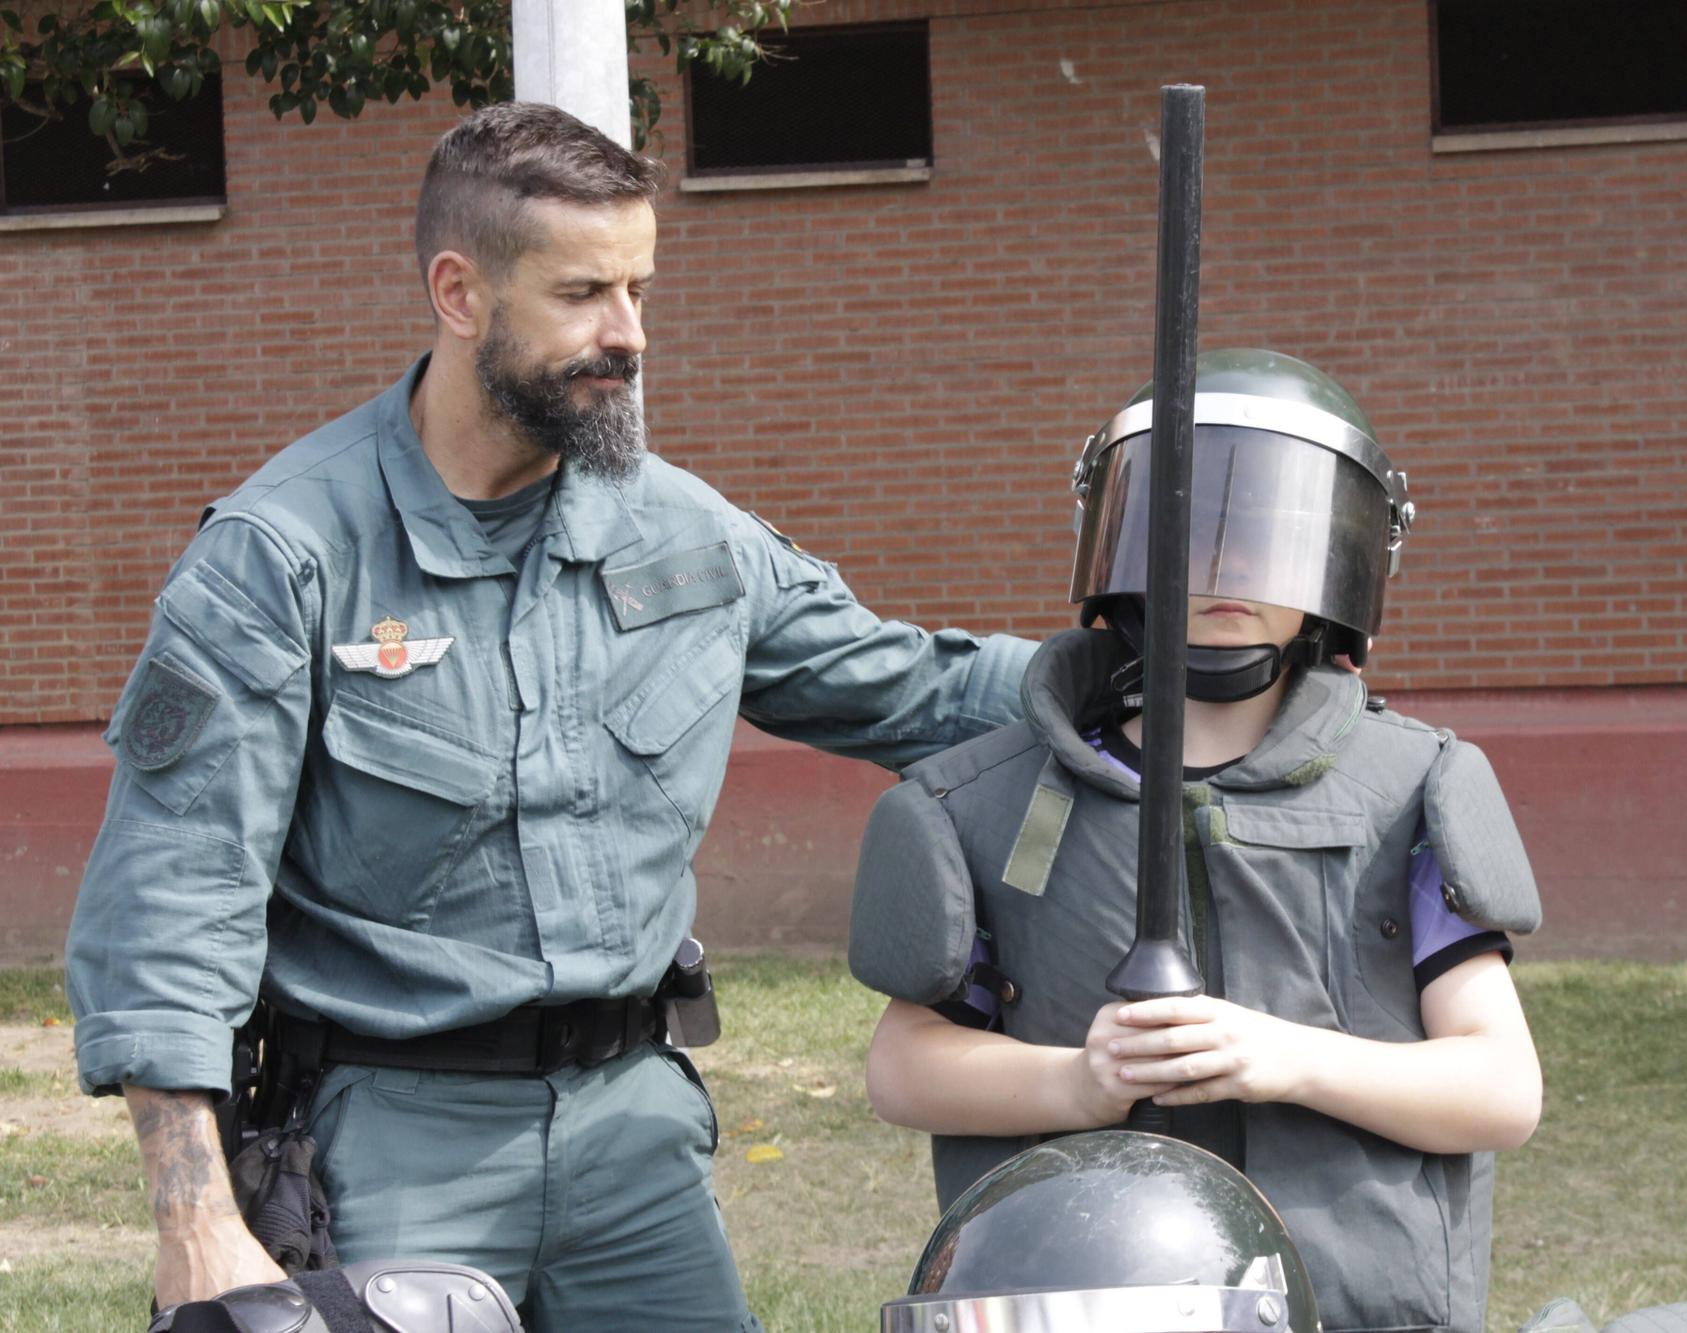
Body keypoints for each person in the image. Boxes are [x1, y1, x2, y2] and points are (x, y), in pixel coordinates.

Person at [65, 101, 1033, 1333]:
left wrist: (1150, 659)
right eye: (582, 293)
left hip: (634, 1134)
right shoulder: (284, 559)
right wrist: (196, 1220)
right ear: (460, 293)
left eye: (638, 289)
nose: (625, 334)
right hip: (392, 1142)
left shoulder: (683, 534)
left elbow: (913, 690)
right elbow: (172, 901)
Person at [848, 348, 1544, 1333]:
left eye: (1271, 528)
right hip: (1081, 1294)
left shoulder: (1408, 793)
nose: (1227, 564)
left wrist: (1284, 1057)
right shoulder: (982, 806)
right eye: (1186, 527)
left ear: (1341, 551)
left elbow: (1498, 1088)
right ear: (1118, 538)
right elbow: (902, 1066)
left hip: (1357, 1305)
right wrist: (1077, 1081)